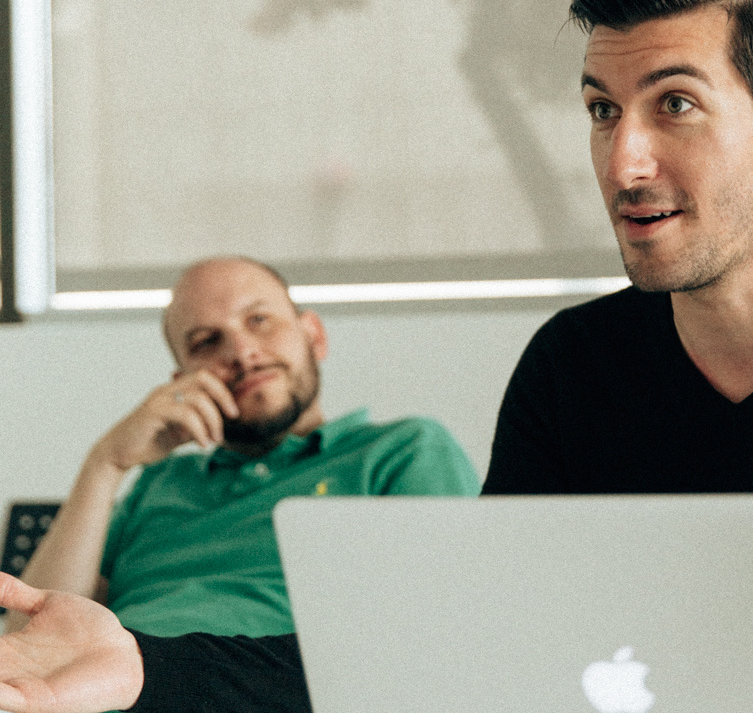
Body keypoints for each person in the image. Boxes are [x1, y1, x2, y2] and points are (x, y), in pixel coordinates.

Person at [0, 0, 753, 713]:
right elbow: (462, 653)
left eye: (675, 104)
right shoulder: (573, 364)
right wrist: (144, 665)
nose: (623, 161)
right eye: (601, 111)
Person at [7, 256, 478, 642]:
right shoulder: (159, 483)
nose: (241, 350)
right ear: (183, 381)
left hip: (269, 711)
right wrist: (106, 463)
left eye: (259, 320)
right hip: (101, 709)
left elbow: (455, 630)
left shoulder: (402, 451)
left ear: (313, 336)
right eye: (206, 341)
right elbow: (32, 637)